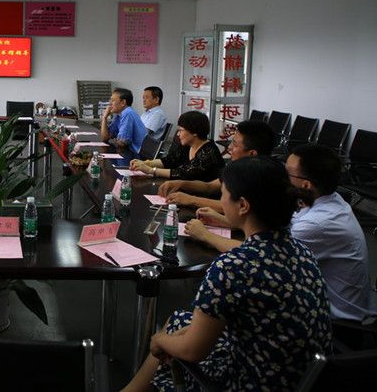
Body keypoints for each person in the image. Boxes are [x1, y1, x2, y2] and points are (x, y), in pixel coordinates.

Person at [123, 157, 331, 392]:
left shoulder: (231, 267)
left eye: (223, 194)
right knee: (180, 321)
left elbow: (193, 351)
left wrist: (159, 340)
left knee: (168, 339)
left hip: (251, 382)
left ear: (243, 206)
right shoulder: (303, 252)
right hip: (300, 377)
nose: (220, 201)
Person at [186, 144, 375, 322]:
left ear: (306, 185)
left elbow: (259, 252)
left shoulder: (317, 224)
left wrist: (205, 235)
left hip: (329, 317)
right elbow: (271, 230)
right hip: (305, 296)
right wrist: (227, 220)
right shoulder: (322, 200)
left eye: (288, 173)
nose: (282, 177)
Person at [158, 120, 275, 211]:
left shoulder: (262, 178)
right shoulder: (235, 167)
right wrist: (181, 183)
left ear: (252, 154)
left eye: (234, 144)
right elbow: (209, 186)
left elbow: (234, 207)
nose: (229, 147)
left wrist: (191, 200)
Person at [131, 111, 224, 182]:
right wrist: (146, 163)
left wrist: (151, 170)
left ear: (195, 132)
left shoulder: (209, 152)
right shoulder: (187, 145)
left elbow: (182, 173)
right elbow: (169, 160)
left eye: (181, 130)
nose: (178, 134)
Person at [100, 88, 148, 154]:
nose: (110, 103)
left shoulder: (127, 113)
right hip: (128, 151)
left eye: (113, 100)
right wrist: (104, 117)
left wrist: (115, 140)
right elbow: (104, 138)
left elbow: (122, 142)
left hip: (138, 155)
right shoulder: (119, 115)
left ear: (123, 103)